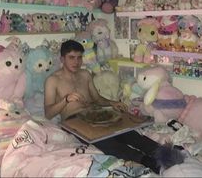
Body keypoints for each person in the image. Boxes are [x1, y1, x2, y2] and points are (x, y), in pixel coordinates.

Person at [44, 39, 161, 173]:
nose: (76, 62)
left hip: (95, 115)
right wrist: (65, 100)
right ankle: (145, 161)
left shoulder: (85, 74)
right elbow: (48, 113)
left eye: (79, 58)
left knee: (128, 133)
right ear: (62, 59)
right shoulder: (52, 80)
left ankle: (164, 151)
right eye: (71, 58)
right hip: (74, 121)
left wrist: (113, 103)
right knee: (106, 142)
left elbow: (97, 99)